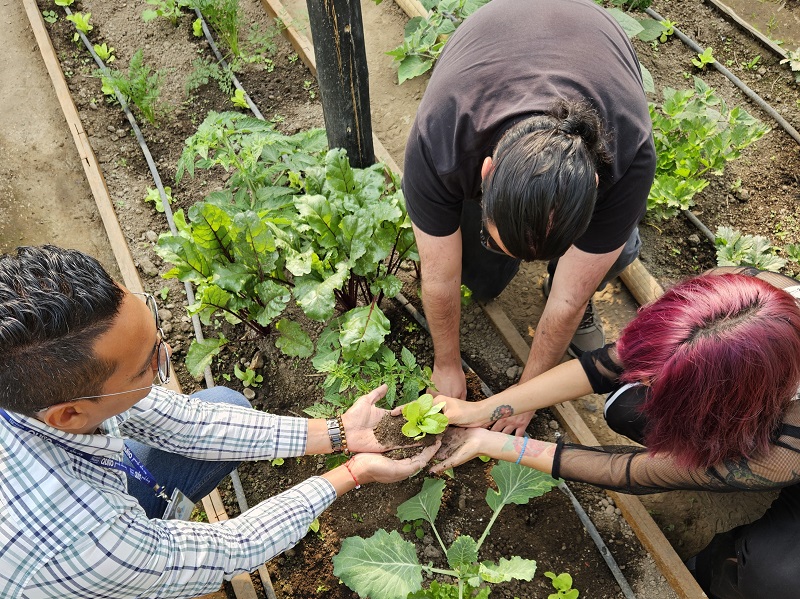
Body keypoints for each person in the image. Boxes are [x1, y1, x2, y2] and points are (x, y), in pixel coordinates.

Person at [0, 245, 439, 598]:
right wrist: (352, 472)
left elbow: (186, 422)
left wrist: (342, 432)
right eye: (148, 364)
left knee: (223, 402)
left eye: (153, 332)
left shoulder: (46, 389)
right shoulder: (81, 542)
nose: (164, 353)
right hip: (66, 560)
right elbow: (231, 549)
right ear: (70, 415)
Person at [428, 268, 800, 598]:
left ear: (734, 410)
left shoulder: (783, 454)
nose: (644, 384)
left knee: (772, 576)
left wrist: (495, 444)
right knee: (629, 407)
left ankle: (713, 570)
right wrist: (480, 411)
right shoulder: (739, 299)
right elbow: (605, 364)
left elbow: (635, 473)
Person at [403, 0, 656, 436]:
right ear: (486, 173)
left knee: (613, 252)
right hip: (499, 32)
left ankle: (564, 260)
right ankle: (498, 253)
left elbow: (567, 300)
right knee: (478, 281)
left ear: (595, 187)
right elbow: (438, 277)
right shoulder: (441, 140)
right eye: (496, 234)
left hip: (591, 40)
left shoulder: (627, 157)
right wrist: (446, 364)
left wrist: (525, 395)